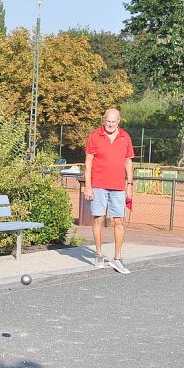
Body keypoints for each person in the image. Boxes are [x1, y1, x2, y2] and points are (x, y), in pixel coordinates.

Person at [82, 108, 134, 274]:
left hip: (118, 187)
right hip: (98, 185)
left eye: (114, 121)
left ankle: (117, 259)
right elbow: (88, 162)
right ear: (103, 120)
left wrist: (130, 185)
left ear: (119, 121)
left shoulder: (125, 137)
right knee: (98, 219)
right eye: (108, 121)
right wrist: (88, 186)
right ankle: (98, 255)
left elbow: (128, 163)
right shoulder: (94, 136)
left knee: (119, 221)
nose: (110, 124)